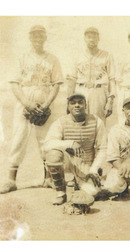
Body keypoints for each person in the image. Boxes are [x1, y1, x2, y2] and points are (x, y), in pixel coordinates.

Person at [1, 25, 63, 194]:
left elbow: (57, 84)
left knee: (47, 139)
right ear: (30, 38)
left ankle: (48, 178)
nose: (37, 39)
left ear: (45, 38)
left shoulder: (52, 59)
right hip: (25, 99)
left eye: (40, 36)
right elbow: (14, 84)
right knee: (19, 138)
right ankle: (11, 181)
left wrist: (46, 105)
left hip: (45, 98)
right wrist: (26, 103)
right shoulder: (22, 57)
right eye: (34, 36)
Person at [42, 93, 107, 205]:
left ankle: (78, 185)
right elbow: (47, 144)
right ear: (68, 106)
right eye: (73, 103)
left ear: (85, 105)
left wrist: (94, 168)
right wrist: (70, 143)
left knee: (90, 194)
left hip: (86, 167)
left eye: (80, 102)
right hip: (68, 165)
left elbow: (104, 148)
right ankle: (61, 193)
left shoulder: (96, 121)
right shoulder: (61, 122)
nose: (77, 105)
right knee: (53, 154)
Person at [67, 27, 115, 124]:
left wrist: (110, 101)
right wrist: (68, 100)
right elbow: (71, 80)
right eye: (89, 37)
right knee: (78, 123)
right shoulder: (77, 55)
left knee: (98, 123)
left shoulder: (107, 55)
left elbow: (112, 79)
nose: (92, 39)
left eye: (94, 37)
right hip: (80, 91)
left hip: (98, 92)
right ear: (84, 38)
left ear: (98, 39)